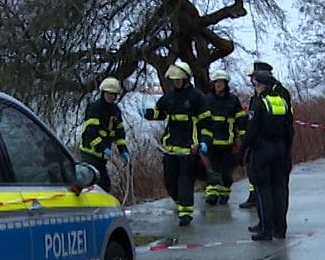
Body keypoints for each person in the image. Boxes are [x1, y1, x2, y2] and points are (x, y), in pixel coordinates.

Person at [144, 61, 207, 226]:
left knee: (185, 181)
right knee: (170, 181)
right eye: (174, 80)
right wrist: (149, 113)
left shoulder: (197, 97)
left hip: (189, 148)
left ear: (186, 79)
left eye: (179, 80)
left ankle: (186, 213)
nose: (176, 82)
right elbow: (160, 112)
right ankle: (181, 204)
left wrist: (204, 142)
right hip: (170, 147)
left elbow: (207, 123)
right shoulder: (170, 96)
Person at [242, 68, 293, 240]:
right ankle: (281, 229)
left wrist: (242, 151)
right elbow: (289, 130)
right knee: (280, 190)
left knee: (264, 191)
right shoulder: (282, 102)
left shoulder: (259, 103)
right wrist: (287, 152)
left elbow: (251, 131)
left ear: (261, 86)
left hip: (262, 151)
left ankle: (266, 230)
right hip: (281, 150)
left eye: (256, 84)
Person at [199, 72, 244, 206]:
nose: (219, 84)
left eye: (222, 82)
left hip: (227, 143)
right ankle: (212, 195)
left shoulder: (233, 100)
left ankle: (224, 193)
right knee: (211, 170)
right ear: (214, 84)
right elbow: (201, 120)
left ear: (225, 84)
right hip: (211, 143)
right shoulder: (207, 100)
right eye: (217, 82)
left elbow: (240, 119)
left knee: (226, 174)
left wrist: (243, 136)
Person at [78, 76, 129, 192]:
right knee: (92, 184)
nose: (112, 97)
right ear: (103, 92)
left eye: (114, 94)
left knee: (105, 186)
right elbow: (90, 134)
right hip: (90, 153)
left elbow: (119, 134)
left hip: (102, 157)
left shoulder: (115, 111)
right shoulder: (94, 108)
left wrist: (123, 150)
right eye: (109, 94)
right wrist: (103, 148)